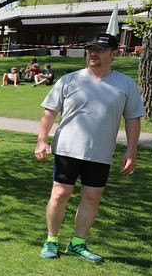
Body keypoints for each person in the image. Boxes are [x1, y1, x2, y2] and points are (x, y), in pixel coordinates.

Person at [35, 32, 142, 263]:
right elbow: (49, 112)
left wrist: (131, 151)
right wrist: (42, 140)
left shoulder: (125, 84)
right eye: (90, 49)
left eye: (100, 50)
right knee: (60, 193)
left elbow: (133, 118)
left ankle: (78, 243)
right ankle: (51, 240)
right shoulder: (69, 80)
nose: (93, 54)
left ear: (114, 54)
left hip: (100, 152)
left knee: (92, 198)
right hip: (67, 148)